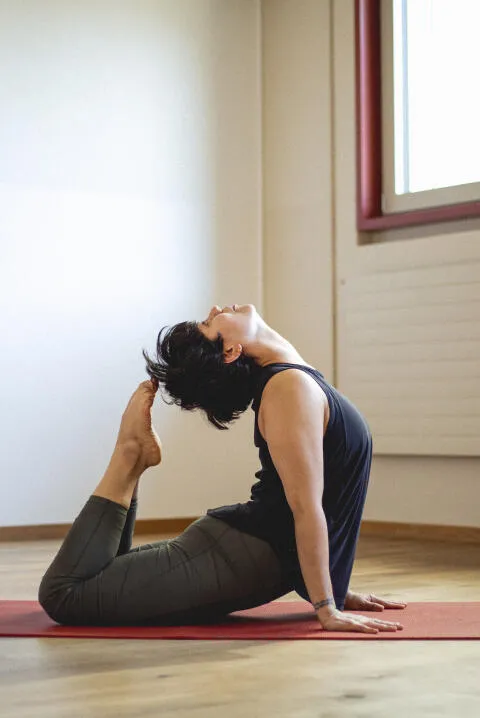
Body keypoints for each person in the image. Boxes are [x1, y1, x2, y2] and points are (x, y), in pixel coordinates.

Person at [38, 304, 406, 632]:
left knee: (100, 575)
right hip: (232, 558)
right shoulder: (288, 388)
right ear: (230, 350)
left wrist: (335, 590)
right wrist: (327, 608)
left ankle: (132, 458)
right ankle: (129, 455)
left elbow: (331, 499)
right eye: (210, 323)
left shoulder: (293, 380)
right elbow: (305, 508)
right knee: (64, 593)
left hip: (237, 554)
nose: (216, 309)